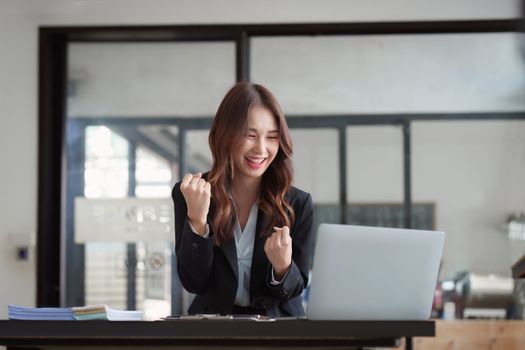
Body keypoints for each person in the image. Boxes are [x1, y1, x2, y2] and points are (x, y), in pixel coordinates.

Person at [171, 82, 314, 317]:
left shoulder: (298, 203)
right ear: (225, 134)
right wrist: (197, 222)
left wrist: (283, 268)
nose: (261, 149)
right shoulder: (191, 194)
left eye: (271, 137)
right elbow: (194, 283)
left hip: (278, 333)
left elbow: (296, 288)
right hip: (214, 331)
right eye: (250, 135)